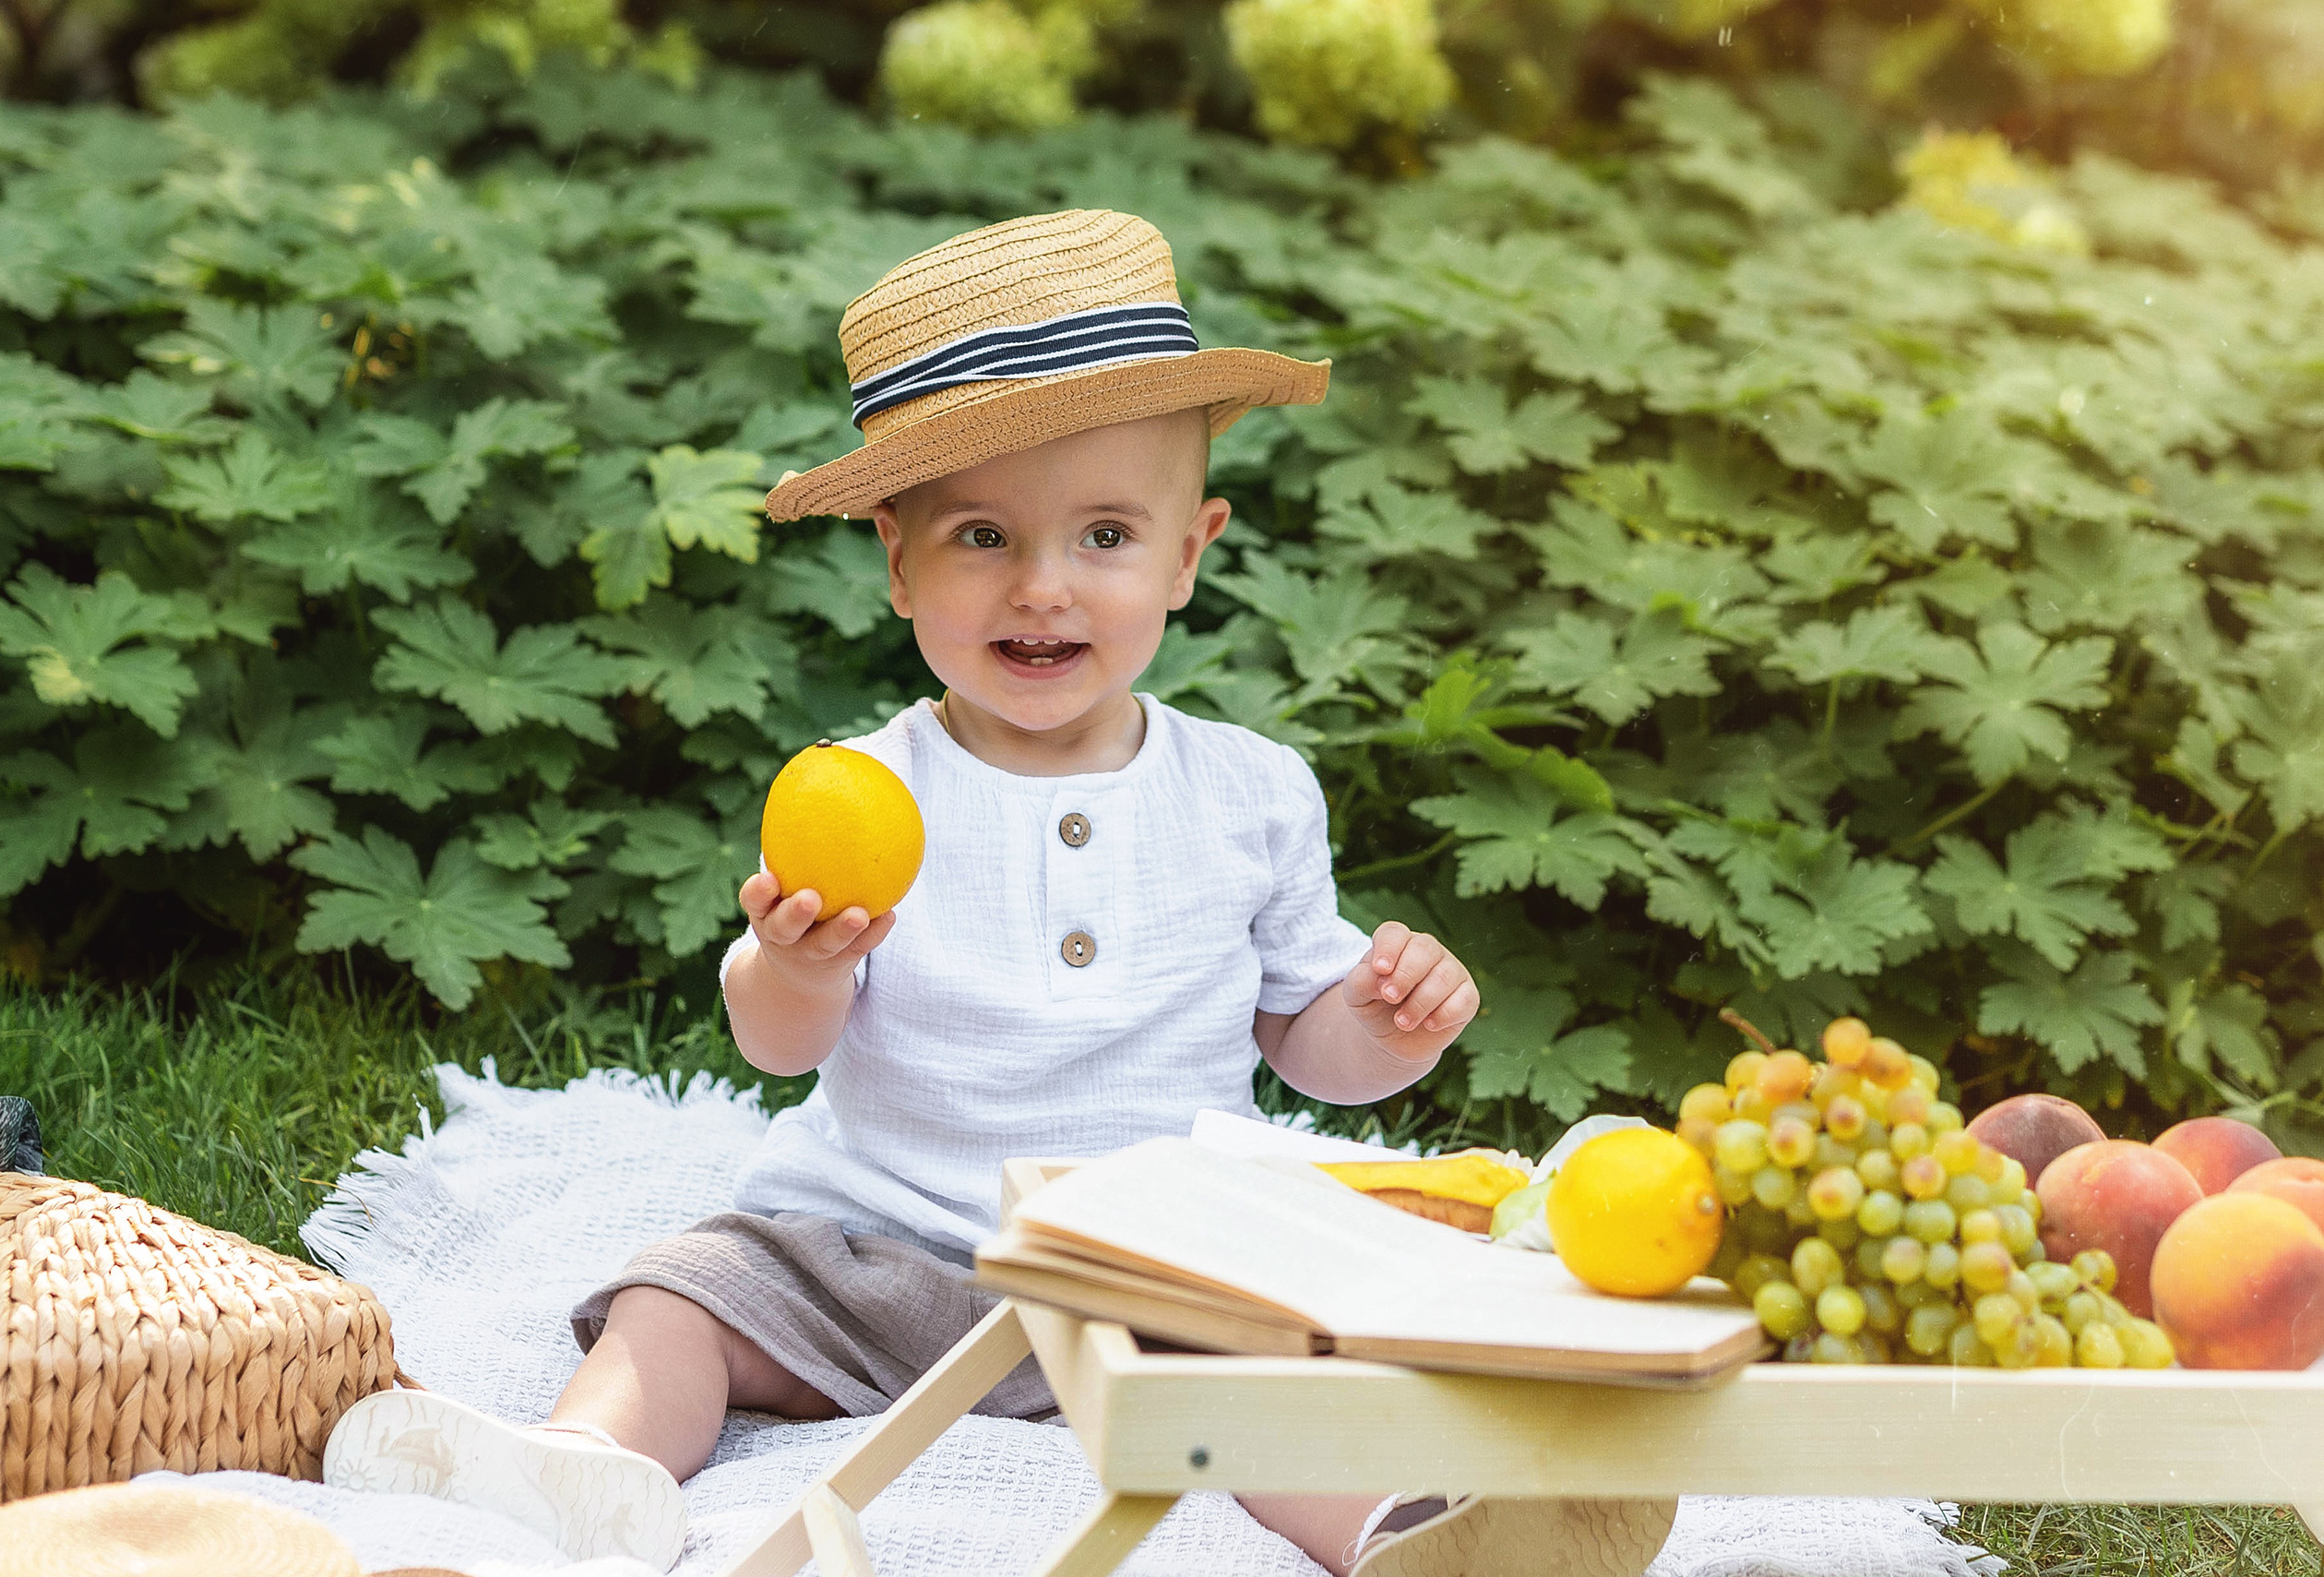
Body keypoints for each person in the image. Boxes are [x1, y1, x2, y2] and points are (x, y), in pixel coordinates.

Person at [323, 209, 1549, 1575]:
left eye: (1103, 534)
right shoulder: (865, 790)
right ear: (900, 563)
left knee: (1283, 1374)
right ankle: (582, 1470)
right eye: (981, 534)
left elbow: (1302, 1039)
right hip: (872, 1255)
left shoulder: (1251, 792)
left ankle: (1403, 1529)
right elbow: (778, 1042)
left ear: (1188, 554)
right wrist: (796, 965)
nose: (1042, 586)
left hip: (1152, 1269)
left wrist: (1381, 1026)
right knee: (680, 1297)